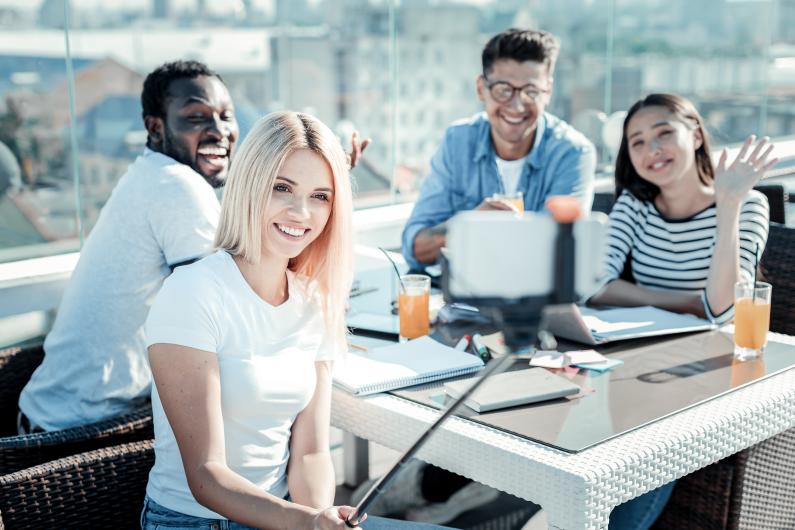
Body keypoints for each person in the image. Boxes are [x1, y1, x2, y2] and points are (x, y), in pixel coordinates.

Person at [18, 60, 368, 433]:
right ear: (156, 128)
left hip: (69, 411)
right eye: (196, 118)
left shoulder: (152, 175)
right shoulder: (175, 187)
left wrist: (312, 178)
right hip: (85, 429)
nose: (219, 131)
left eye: (225, 116)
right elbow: (237, 295)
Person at [141, 111, 447, 530]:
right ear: (250, 186)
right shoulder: (192, 293)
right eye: (282, 188)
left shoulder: (314, 299)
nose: (301, 212)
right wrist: (306, 523)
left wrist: (320, 516)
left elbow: (311, 454)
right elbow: (206, 477)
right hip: (199, 522)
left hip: (288, 517)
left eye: (320, 196)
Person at [588, 93, 773, 530]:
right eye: (637, 142)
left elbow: (720, 306)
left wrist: (727, 205)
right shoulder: (635, 206)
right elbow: (596, 286)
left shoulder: (748, 204)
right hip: (640, 359)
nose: (652, 150)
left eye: (663, 133)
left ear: (695, 134)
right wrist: (686, 302)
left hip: (711, 372)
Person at [401, 28, 596, 272]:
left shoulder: (572, 153)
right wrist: (468, 225)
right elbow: (414, 247)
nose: (516, 105)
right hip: (465, 296)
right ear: (481, 89)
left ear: (548, 91)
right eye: (504, 89)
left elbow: (561, 255)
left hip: (537, 302)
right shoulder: (458, 141)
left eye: (531, 91)